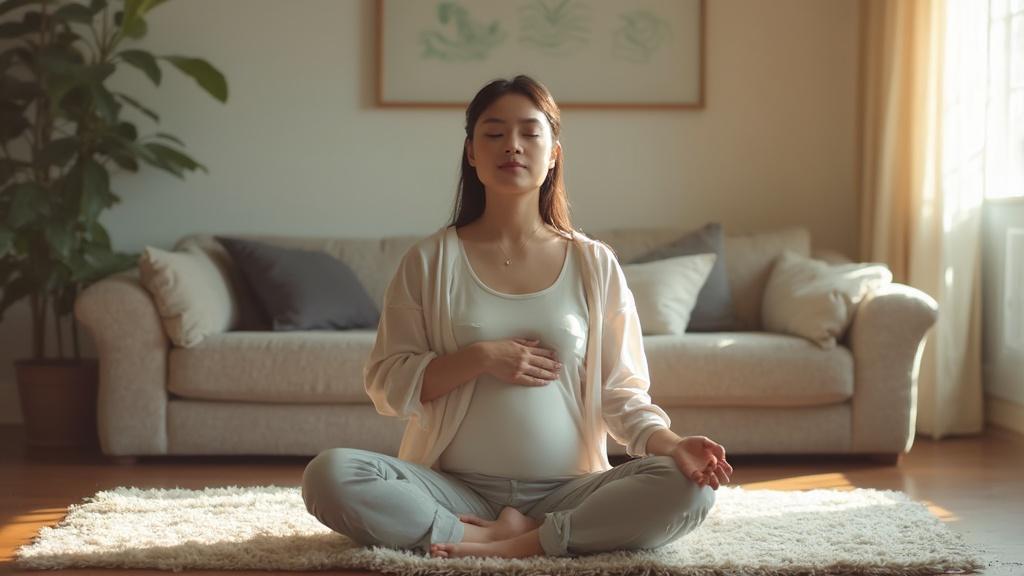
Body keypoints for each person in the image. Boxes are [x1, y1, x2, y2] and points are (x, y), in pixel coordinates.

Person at [301, 75, 733, 560]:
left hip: (568, 493)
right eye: (494, 133)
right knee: (330, 474)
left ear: (553, 154)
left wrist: (674, 445)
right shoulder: (428, 261)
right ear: (471, 152)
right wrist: (480, 358)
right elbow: (385, 383)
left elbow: (622, 396)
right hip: (452, 489)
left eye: (530, 132)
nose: (512, 145)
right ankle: (486, 535)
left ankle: (522, 540)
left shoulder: (594, 264)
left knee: (688, 487)